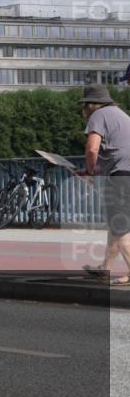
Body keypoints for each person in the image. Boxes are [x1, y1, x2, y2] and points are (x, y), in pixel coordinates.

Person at [77, 84, 130, 285]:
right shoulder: (120, 115)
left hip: (122, 175)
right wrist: (95, 170)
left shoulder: (98, 116)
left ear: (91, 105)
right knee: (118, 225)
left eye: (83, 106)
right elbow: (119, 150)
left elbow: (92, 149)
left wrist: (90, 171)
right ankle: (104, 269)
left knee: (120, 227)